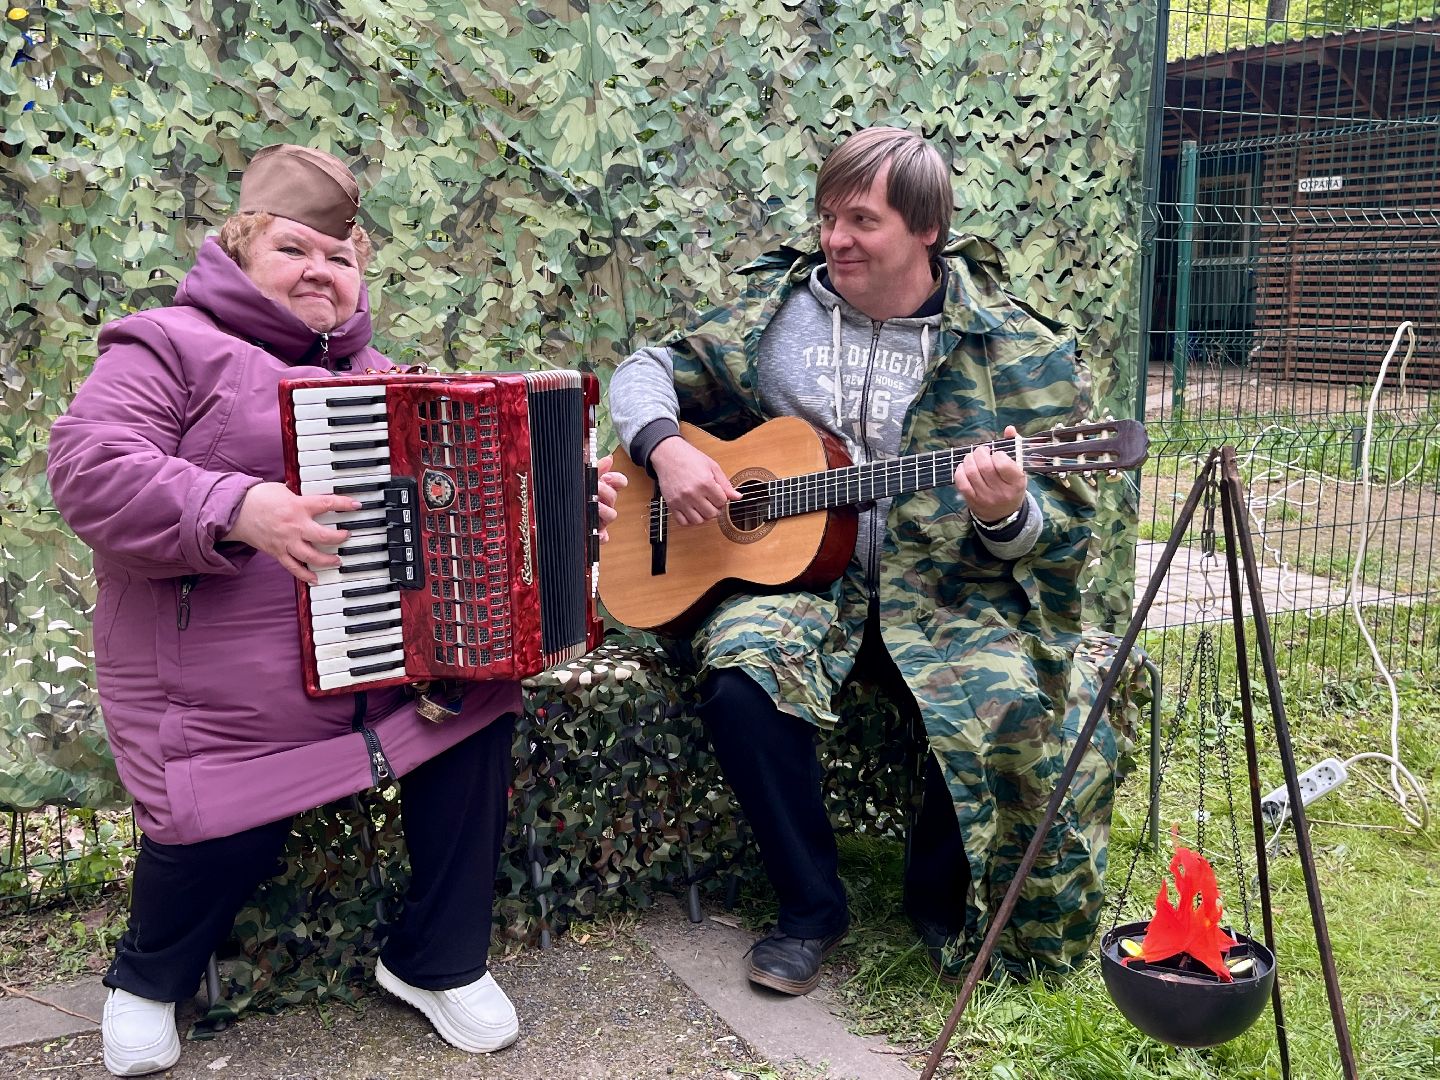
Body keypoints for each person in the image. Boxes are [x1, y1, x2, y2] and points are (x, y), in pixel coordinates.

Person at [46, 144, 627, 1077]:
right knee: (216, 819)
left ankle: (435, 960)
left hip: (378, 667)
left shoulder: (392, 380)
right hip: (223, 688)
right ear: (238, 249)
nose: (320, 270)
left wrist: (559, 501)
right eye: (293, 248)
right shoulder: (165, 344)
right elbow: (89, 471)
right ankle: (148, 978)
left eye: (340, 256)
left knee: (479, 705)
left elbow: (468, 520)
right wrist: (237, 507)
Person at [608, 126, 1130, 994]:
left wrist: (1005, 515)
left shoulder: (1015, 349)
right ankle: (810, 908)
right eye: (826, 217)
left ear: (927, 228)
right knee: (742, 679)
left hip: (948, 590)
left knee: (995, 689)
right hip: (806, 582)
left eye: (861, 219)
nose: (835, 239)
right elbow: (645, 369)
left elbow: (1065, 530)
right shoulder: (774, 317)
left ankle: (938, 901)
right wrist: (665, 446)